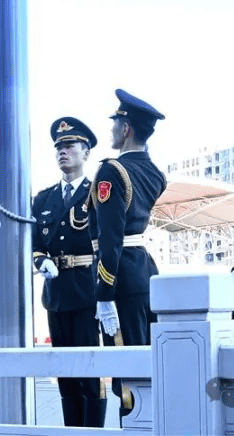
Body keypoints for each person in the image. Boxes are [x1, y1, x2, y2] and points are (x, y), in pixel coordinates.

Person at [88, 89, 167, 424]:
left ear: (127, 129)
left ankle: (133, 429)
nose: (111, 129)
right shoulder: (155, 173)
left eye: (116, 122)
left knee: (126, 377)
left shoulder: (112, 172)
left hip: (119, 278)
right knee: (145, 367)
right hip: (145, 273)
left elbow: (110, 238)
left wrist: (104, 295)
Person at [32, 117, 105, 428]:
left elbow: (106, 245)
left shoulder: (97, 194)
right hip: (56, 296)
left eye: (70, 146)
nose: (63, 151)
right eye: (58, 147)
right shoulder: (44, 199)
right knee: (65, 375)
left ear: (85, 152)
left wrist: (106, 294)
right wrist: (40, 262)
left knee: (89, 374)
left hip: (87, 292)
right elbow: (34, 245)